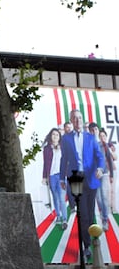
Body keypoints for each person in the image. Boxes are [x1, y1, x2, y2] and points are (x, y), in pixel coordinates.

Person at [60, 110, 104, 261]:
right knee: (82, 214)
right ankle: (86, 246)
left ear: (82, 119)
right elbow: (63, 158)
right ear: (71, 121)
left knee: (90, 214)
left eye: (79, 118)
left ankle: (94, 241)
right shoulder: (66, 139)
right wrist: (61, 178)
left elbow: (99, 156)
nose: (77, 121)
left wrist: (100, 168)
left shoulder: (91, 138)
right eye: (74, 118)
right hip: (76, 178)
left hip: (91, 177)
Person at [42, 128, 68, 230]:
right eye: (53, 135)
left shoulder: (63, 148)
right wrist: (44, 177)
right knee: (55, 197)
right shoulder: (47, 149)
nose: (55, 136)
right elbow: (45, 164)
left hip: (61, 176)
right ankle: (58, 216)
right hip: (52, 176)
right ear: (50, 136)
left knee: (62, 198)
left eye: (57, 135)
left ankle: (64, 219)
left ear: (59, 137)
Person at [96, 129, 114, 231]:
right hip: (96, 175)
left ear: (106, 137)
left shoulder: (107, 146)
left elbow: (110, 161)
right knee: (98, 198)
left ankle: (105, 220)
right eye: (101, 136)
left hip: (105, 174)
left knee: (104, 196)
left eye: (104, 136)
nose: (102, 138)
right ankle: (103, 213)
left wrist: (111, 174)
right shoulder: (96, 145)